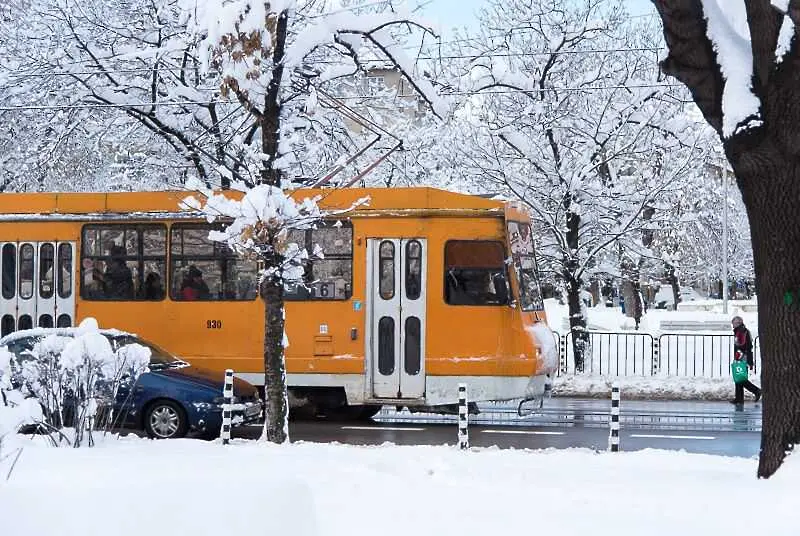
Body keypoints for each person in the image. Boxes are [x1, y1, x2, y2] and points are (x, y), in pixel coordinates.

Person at [730, 316, 761, 405]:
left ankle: (756, 391)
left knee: (740, 378)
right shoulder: (739, 331)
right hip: (740, 356)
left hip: (742, 356)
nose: (733, 325)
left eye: (734, 323)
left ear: (738, 323)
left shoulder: (742, 331)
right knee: (738, 377)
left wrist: (747, 359)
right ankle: (739, 398)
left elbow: (745, 345)